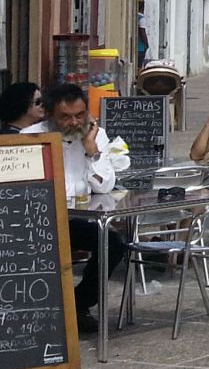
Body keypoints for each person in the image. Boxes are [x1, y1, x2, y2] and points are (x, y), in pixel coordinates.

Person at [27, 83, 131, 333]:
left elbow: (104, 187)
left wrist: (91, 151)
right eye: (65, 117)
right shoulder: (30, 137)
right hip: (39, 221)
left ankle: (78, 304)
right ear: (50, 115)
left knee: (113, 243)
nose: (74, 122)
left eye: (79, 115)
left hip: (76, 220)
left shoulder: (95, 135)